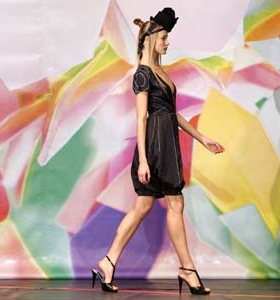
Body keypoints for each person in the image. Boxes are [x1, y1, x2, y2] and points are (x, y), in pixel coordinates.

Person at [91, 7, 225, 295]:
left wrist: (201, 137)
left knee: (143, 206)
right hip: (154, 146)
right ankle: (188, 269)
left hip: (166, 142)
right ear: (151, 39)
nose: (168, 42)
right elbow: (141, 117)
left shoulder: (160, 72)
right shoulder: (142, 74)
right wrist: (142, 158)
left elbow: (171, 113)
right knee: (174, 204)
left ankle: (109, 260)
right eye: (164, 37)